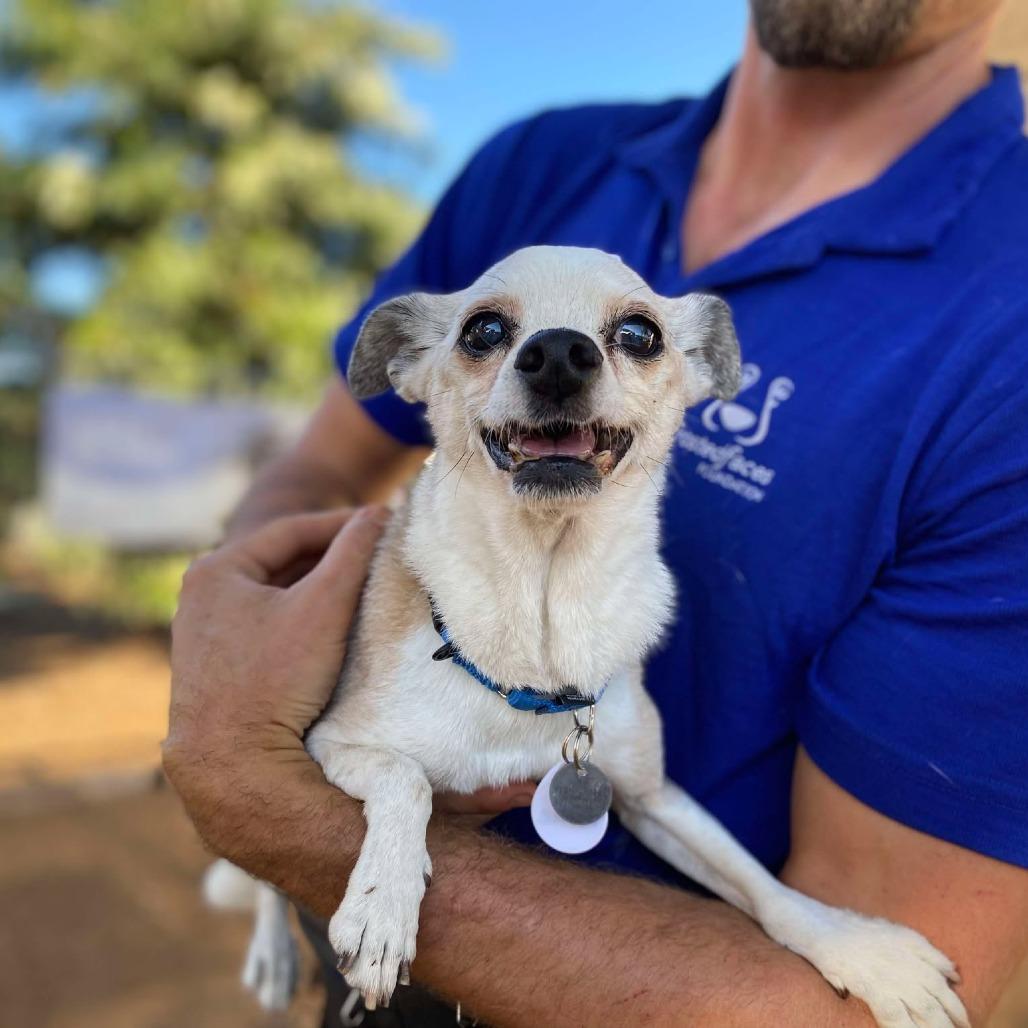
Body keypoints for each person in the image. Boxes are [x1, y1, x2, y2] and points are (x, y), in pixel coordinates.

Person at [164, 1, 1028, 1024]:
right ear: (417, 361)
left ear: (702, 366)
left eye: (626, 340)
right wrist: (234, 632)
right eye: (493, 335)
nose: (556, 359)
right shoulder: (539, 160)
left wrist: (271, 805)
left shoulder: (1004, 308)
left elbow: (847, 1012)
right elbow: (317, 466)